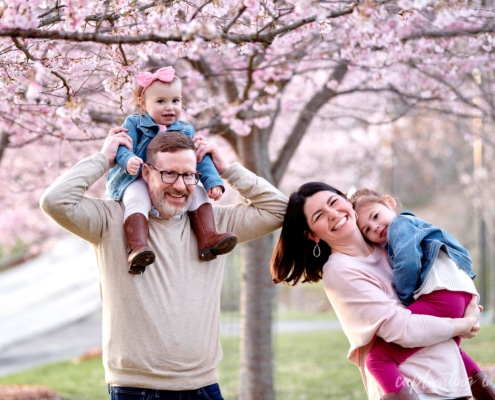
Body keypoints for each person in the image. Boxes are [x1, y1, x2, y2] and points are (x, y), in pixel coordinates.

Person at [40, 130, 288, 399]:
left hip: (204, 385)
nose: (180, 186)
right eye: (169, 173)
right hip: (136, 389)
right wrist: (104, 159)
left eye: (189, 175)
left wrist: (226, 170)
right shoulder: (109, 219)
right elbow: (55, 201)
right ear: (146, 173)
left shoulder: (215, 227)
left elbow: (279, 210)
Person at [270, 182, 482, 400]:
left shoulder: (388, 246)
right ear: (312, 235)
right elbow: (401, 329)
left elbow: (437, 287)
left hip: (449, 380)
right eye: (319, 216)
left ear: (347, 202)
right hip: (413, 389)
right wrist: (461, 324)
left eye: (333, 202)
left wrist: (468, 307)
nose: (333, 214)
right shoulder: (340, 270)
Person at [349, 187, 495, 400]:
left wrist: (406, 299)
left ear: (389, 203)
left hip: (442, 295)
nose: (375, 227)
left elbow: (407, 263)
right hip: (457, 295)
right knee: (450, 351)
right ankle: (486, 393)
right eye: (367, 230)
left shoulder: (400, 225)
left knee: (378, 360)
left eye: (375, 216)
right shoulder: (419, 227)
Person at [106, 65, 237, 274]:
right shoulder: (134, 123)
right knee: (136, 198)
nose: (170, 107)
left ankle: (208, 238)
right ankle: (137, 246)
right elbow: (121, 145)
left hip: (172, 179)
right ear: (143, 103)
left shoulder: (185, 130)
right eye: (161, 101)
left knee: (199, 192)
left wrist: (213, 182)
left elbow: (199, 159)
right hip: (137, 178)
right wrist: (127, 159)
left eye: (175, 101)